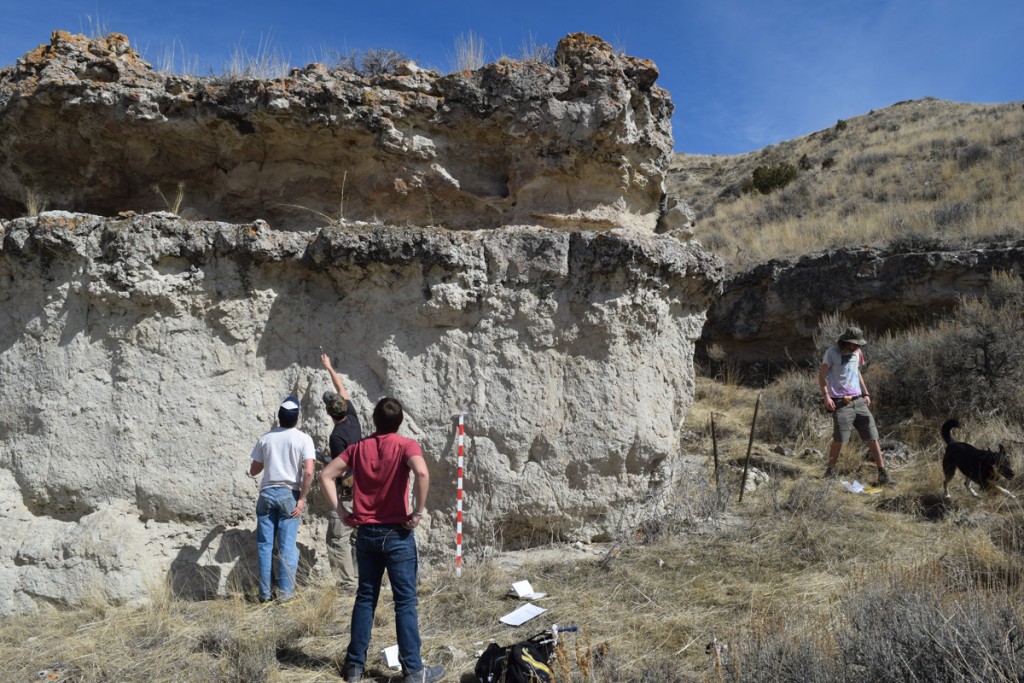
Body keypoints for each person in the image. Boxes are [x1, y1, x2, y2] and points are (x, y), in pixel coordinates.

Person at [320, 397, 445, 683]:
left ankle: (353, 668)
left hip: (366, 533)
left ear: (374, 420)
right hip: (397, 534)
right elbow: (422, 472)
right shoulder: (405, 446)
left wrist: (342, 511)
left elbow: (326, 475)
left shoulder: (358, 448)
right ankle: (413, 671)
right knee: (404, 602)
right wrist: (417, 512)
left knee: (365, 598)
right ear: (399, 422)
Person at [248, 395, 316, 604]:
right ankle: (285, 595)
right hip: (290, 494)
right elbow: (309, 472)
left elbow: (253, 470)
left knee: (264, 546)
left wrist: (269, 459)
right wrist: (302, 498)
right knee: (286, 546)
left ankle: (265, 593)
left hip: (267, 494)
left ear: (279, 417)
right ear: (297, 418)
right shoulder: (303, 439)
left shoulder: (266, 438)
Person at [819, 326, 892, 485]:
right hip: (840, 401)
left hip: (859, 400)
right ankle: (830, 471)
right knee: (840, 438)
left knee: (872, 436)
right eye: (855, 344)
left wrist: (866, 393)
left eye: (859, 344)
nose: (858, 347)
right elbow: (821, 376)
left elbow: (857, 371)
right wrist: (826, 397)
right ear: (846, 341)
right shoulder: (831, 353)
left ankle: (883, 474)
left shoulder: (857, 353)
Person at [320, 352, 362, 590]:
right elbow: (341, 388)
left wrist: (325, 462)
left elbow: (341, 466)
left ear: (329, 413)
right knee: (357, 536)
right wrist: (329, 367)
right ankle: (358, 575)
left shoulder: (337, 436)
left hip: (348, 489)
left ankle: (346, 584)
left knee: (338, 537)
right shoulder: (353, 418)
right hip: (364, 485)